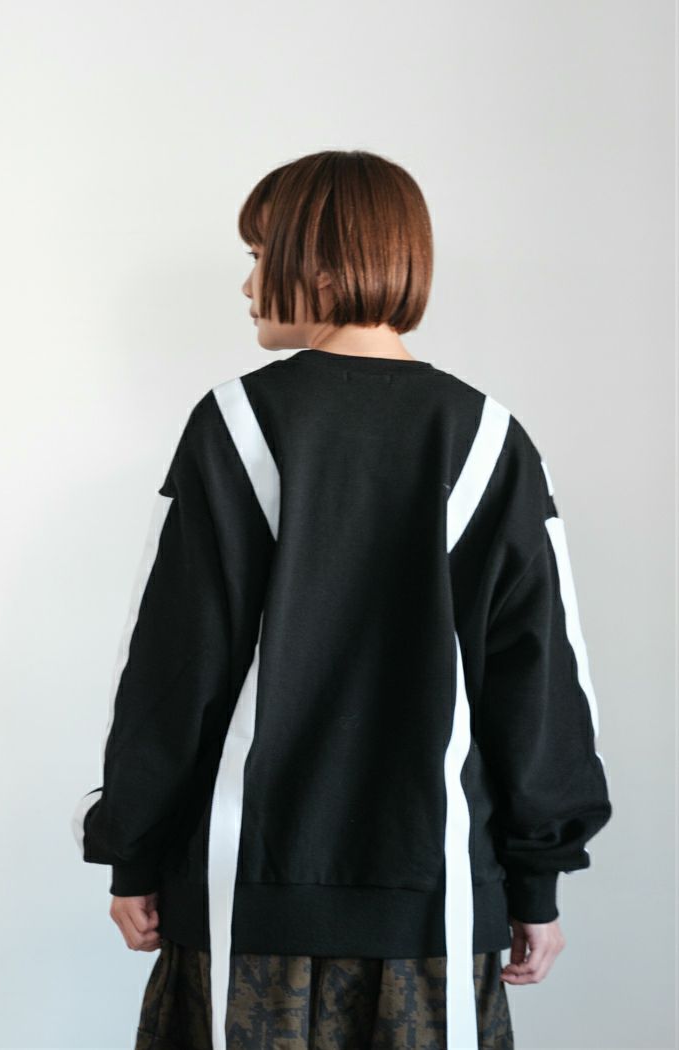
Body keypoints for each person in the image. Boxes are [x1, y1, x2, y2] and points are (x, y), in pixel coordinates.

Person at [72, 150, 613, 1050]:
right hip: (433, 907)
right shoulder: (490, 439)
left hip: (249, 908)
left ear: (322, 266)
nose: (248, 284)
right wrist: (536, 881)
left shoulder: (236, 426)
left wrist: (133, 848)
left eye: (259, 255)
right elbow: (542, 681)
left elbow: (173, 668)